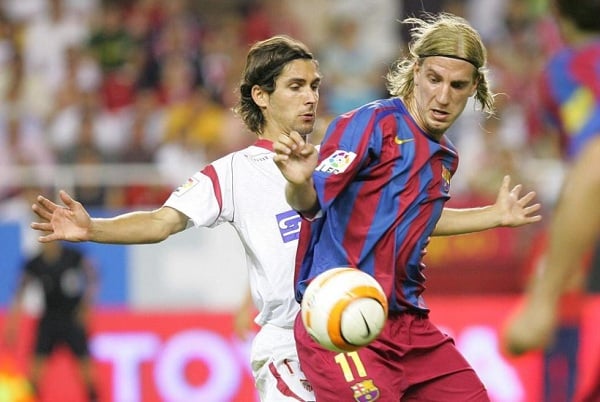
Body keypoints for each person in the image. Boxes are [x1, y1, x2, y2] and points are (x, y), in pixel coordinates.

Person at [29, 35, 321, 402]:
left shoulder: (339, 160)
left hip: (352, 336)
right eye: (296, 86)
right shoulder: (231, 173)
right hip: (290, 346)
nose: (311, 97)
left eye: (314, 86)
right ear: (261, 96)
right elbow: (160, 222)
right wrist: (93, 228)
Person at [273, 13, 542, 401]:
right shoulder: (371, 124)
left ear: (474, 89)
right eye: (435, 79)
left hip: (410, 328)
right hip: (343, 317)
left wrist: (494, 216)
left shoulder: (446, 157)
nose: (444, 96)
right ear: (416, 72)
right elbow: (313, 201)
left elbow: (414, 219)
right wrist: (297, 181)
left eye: (458, 85)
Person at [503, 1, 600, 400]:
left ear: (557, 17)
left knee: (565, 290)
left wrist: (541, 300)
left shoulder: (556, 72)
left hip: (586, 197)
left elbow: (590, 161)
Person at [4, 239, 98, 402]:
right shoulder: (36, 263)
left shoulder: (72, 256)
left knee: (87, 373)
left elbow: (93, 274)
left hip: (72, 319)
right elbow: (20, 292)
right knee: (34, 376)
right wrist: (13, 323)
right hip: (49, 320)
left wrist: (86, 305)